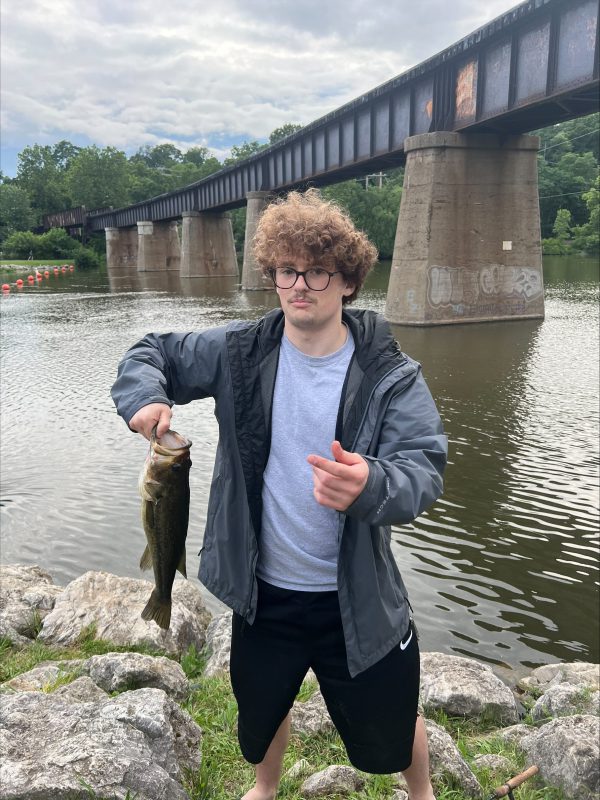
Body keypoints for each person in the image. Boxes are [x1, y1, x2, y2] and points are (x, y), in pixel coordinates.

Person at [111, 189, 447, 800]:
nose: (301, 284)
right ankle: (266, 788)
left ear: (347, 281)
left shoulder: (391, 374)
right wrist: (146, 400)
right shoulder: (237, 353)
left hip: (358, 598)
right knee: (262, 709)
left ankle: (419, 793)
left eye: (317, 270)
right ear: (272, 275)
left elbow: (423, 470)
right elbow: (150, 351)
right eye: (287, 270)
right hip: (263, 592)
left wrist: (373, 483)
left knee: (393, 718)